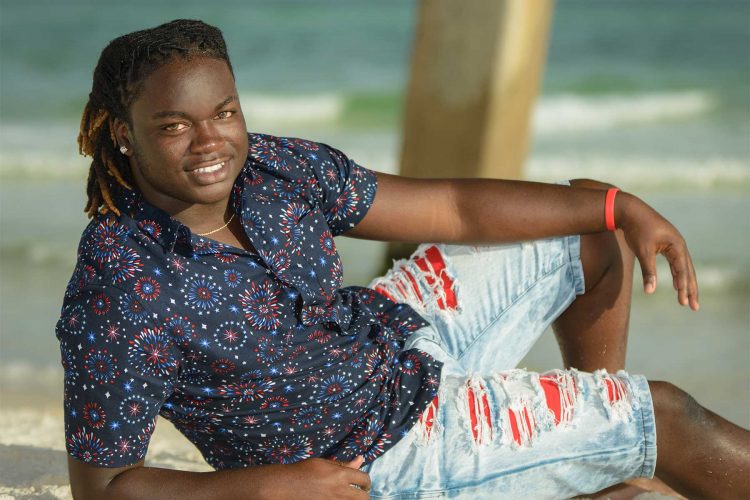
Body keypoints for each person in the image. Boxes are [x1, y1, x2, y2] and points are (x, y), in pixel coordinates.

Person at [56, 19, 749, 500]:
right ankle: (603, 448)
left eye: (224, 112)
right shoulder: (120, 288)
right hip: (383, 457)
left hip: (396, 339)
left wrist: (618, 208)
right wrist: (270, 486)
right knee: (665, 415)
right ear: (122, 134)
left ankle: (586, 468)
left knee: (585, 221)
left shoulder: (273, 168)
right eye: (174, 127)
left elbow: (452, 208)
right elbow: (109, 486)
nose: (211, 141)